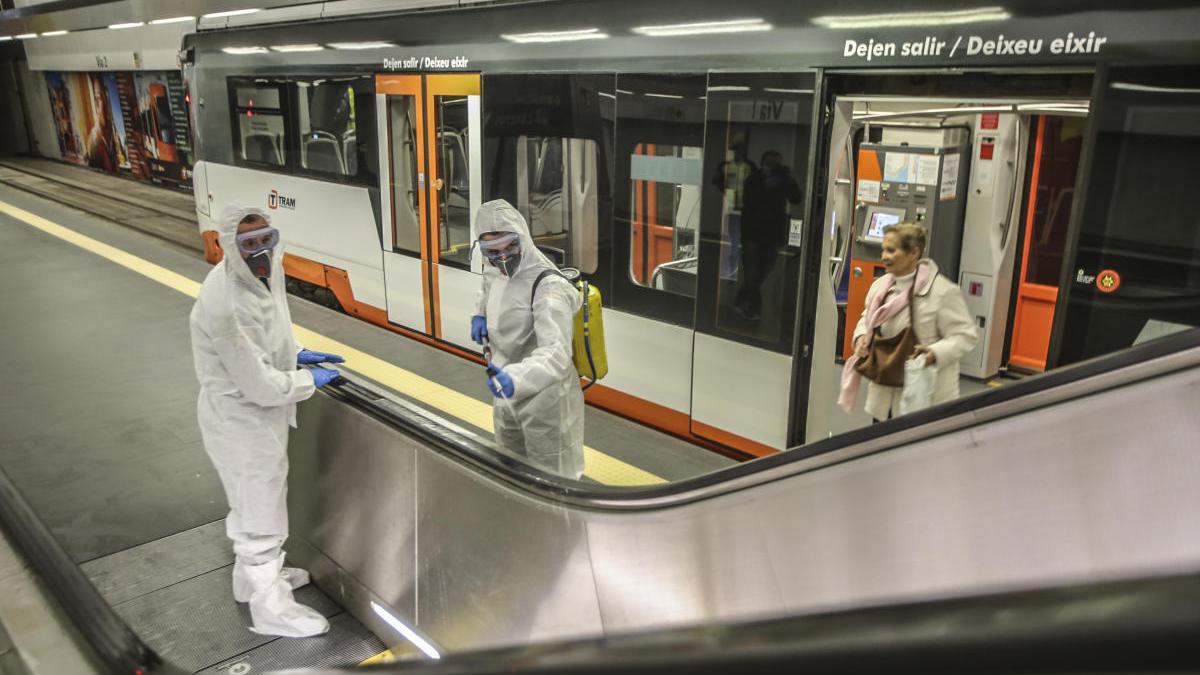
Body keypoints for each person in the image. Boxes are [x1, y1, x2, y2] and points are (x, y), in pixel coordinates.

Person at [190, 206, 344, 638]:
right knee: (261, 511)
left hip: (255, 418)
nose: (261, 251)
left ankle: (253, 580)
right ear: (228, 246)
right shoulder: (226, 302)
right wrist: (306, 379)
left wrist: (295, 352)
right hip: (242, 419)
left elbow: (270, 328)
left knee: (251, 501)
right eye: (249, 243)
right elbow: (260, 385)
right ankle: (270, 606)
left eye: (267, 239)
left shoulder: (259, 274)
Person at [469, 199, 585, 480]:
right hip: (506, 393)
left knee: (553, 480)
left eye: (510, 246)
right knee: (510, 470)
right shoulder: (494, 267)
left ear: (523, 237)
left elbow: (556, 354)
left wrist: (515, 380)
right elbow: (488, 283)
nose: (503, 257)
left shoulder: (548, 286)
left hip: (544, 401)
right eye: (492, 252)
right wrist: (480, 313)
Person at [839, 223, 977, 421]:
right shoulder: (880, 287)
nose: (884, 256)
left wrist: (934, 353)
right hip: (885, 393)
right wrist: (861, 337)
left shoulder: (942, 291)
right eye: (883, 250)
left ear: (913, 253)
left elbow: (966, 336)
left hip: (926, 398)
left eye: (891, 250)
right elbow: (866, 317)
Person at [735, 150, 802, 320]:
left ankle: (740, 300)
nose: (773, 168)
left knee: (763, 272)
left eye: (776, 165)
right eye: (769, 164)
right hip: (752, 234)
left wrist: (789, 179)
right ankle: (753, 309)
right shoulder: (753, 180)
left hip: (773, 235)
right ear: (762, 164)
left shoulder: (783, 180)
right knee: (751, 272)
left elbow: (797, 198)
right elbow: (747, 201)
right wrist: (764, 184)